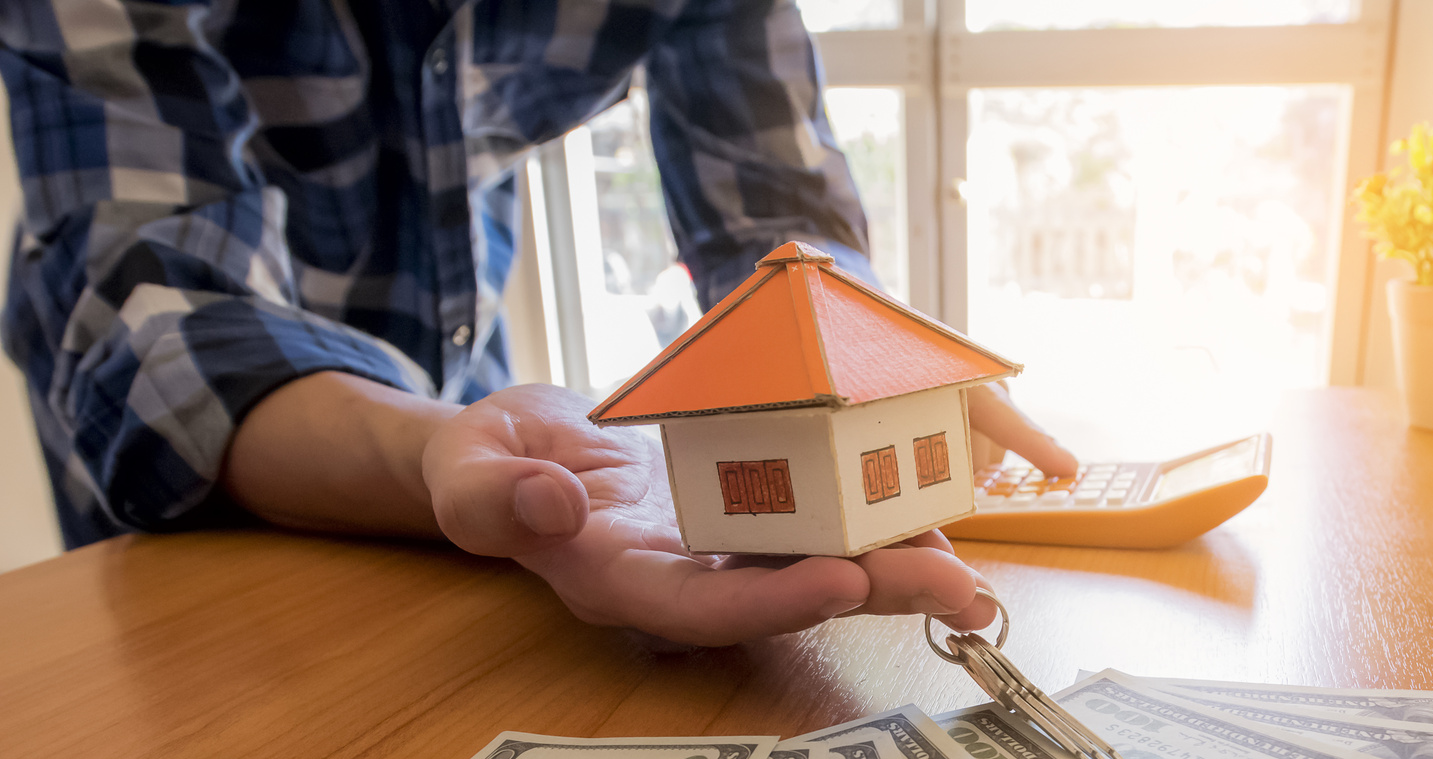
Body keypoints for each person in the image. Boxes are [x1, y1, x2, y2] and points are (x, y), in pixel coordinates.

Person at [0, 1, 1074, 647]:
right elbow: (154, 300)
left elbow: (776, 210)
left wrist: (862, 348)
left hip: (484, 421)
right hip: (196, 453)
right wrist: (430, 447)